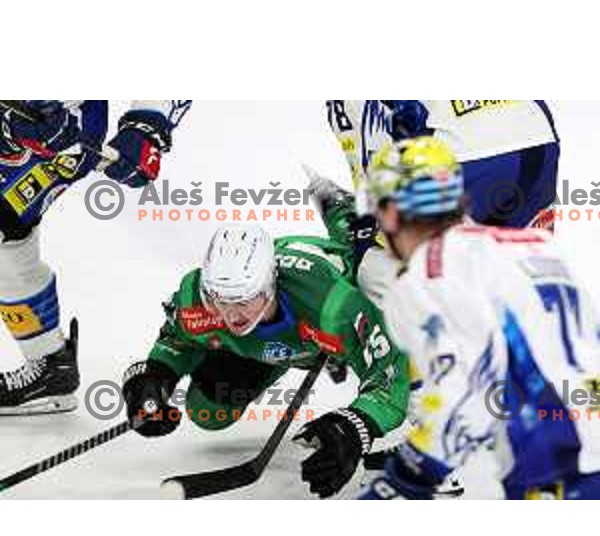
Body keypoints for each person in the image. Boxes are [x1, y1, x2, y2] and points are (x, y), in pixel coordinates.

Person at [357, 137, 600, 500]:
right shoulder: (535, 242)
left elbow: (463, 387)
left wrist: (409, 474)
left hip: (555, 459)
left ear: (391, 214)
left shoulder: (429, 274)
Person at [122, 224, 411, 498]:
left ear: (270, 285)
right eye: (220, 300)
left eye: (245, 299)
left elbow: (389, 373)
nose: (232, 315)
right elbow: (176, 340)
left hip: (325, 327)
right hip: (288, 340)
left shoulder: (333, 308)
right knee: (207, 412)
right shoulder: (197, 299)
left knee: (417, 366)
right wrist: (155, 378)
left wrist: (356, 426)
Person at [0, 100, 191, 414]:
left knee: (7, 229)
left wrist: (146, 128)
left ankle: (50, 366)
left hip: (58, 130)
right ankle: (49, 361)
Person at [327, 100, 560, 229]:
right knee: (530, 271)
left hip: (463, 155)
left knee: (411, 273)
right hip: (537, 133)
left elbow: (373, 168)